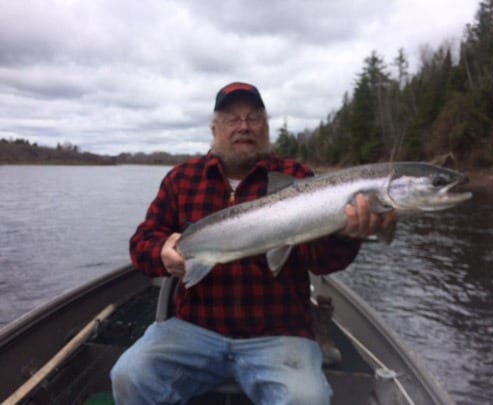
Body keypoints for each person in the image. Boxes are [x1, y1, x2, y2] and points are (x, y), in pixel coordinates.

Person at [110, 82, 396, 405]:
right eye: (232, 118)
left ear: (266, 127)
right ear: (214, 129)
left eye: (254, 118)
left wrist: (346, 235)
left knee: (308, 399)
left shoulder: (297, 177)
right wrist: (161, 253)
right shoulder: (182, 179)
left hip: (279, 333)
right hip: (194, 329)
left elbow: (320, 260)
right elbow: (142, 242)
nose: (243, 126)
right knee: (129, 375)